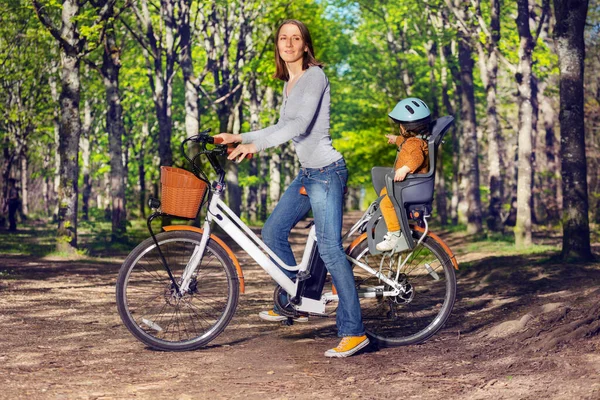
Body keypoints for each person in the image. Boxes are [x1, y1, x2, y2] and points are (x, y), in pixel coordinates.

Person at [215, 19, 368, 358]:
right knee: (273, 231)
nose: (288, 43)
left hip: (328, 173)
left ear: (305, 45)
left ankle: (354, 331)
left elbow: (299, 125)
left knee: (329, 250)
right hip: (308, 174)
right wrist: (239, 136)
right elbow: (283, 126)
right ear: (278, 45)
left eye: (295, 38)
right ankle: (295, 301)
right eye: (283, 37)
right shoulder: (291, 82)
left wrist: (257, 146)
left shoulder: (314, 76)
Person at [375, 98, 431, 252]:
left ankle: (394, 234)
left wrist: (405, 168)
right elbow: (404, 143)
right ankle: (390, 222)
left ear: (406, 127)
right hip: (407, 185)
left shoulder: (415, 144)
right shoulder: (413, 141)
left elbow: (416, 157)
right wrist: (395, 139)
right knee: (384, 197)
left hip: (408, 186)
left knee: (386, 202)